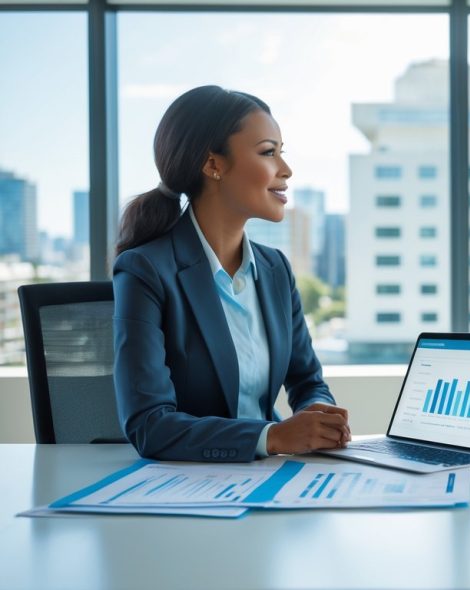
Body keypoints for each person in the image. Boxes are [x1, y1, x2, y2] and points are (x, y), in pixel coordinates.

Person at [113, 85, 351, 462]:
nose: (285, 170)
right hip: (186, 492)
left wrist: (317, 416)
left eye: (281, 153)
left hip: (270, 478)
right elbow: (149, 425)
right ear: (213, 165)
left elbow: (307, 380)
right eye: (268, 153)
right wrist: (271, 437)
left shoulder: (275, 269)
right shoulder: (146, 270)